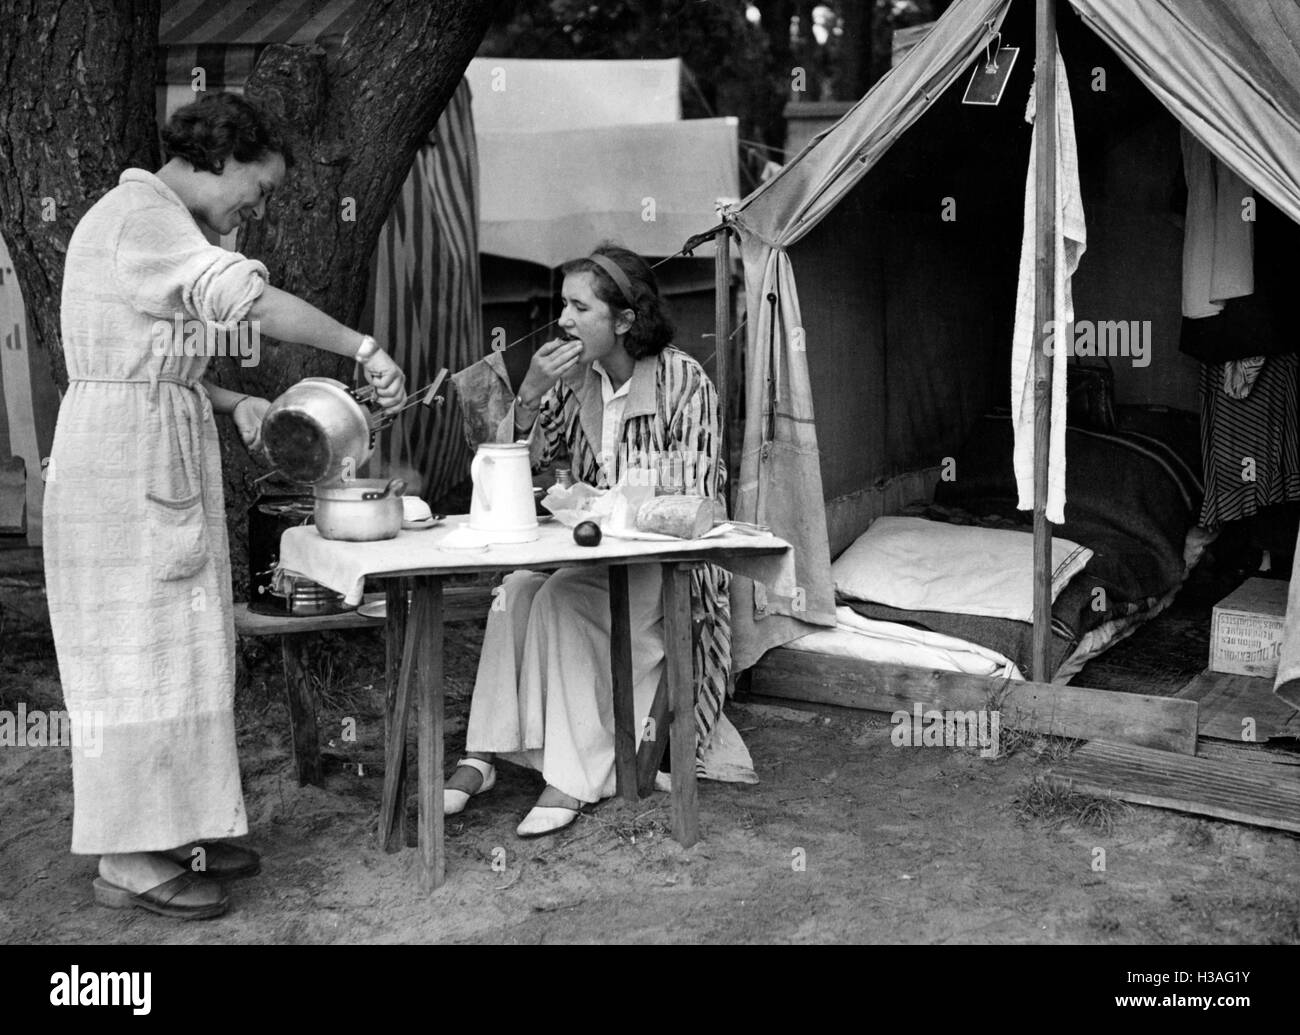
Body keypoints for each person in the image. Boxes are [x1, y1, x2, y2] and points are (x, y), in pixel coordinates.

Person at [43, 92, 406, 920]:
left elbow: (141, 354)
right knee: (133, 656)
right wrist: (362, 345)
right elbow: (248, 301)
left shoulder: (153, 220)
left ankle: (168, 830)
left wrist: (228, 399)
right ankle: (128, 859)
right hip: (121, 472)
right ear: (222, 156)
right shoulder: (145, 216)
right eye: (260, 185)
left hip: (142, 442)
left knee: (173, 645)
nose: (259, 204)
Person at [444, 244, 731, 837]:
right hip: (596, 557)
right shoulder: (573, 381)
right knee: (515, 589)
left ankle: (575, 777)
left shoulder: (684, 382)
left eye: (578, 307)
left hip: (668, 570)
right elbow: (516, 468)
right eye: (562, 305)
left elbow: (695, 503)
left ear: (625, 319)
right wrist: (527, 395)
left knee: (561, 599)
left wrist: (604, 504)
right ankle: (487, 751)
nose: (563, 321)